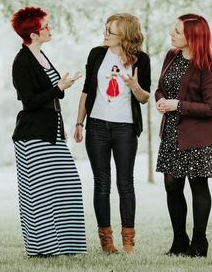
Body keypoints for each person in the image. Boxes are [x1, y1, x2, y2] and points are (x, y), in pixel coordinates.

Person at [10, 6, 86, 257]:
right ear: (33, 34)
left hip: (51, 131)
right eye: (45, 27)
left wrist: (63, 87)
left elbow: (51, 96)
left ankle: (67, 245)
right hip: (32, 135)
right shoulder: (22, 61)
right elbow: (30, 101)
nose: (49, 29)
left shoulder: (41, 55)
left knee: (67, 187)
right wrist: (58, 88)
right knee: (40, 193)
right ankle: (43, 248)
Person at [74, 14, 151, 254]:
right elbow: (87, 90)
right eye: (105, 29)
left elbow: (145, 98)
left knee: (125, 184)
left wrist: (134, 86)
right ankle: (106, 241)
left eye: (111, 31)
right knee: (102, 184)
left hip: (125, 128)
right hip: (96, 126)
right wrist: (79, 123)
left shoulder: (141, 60)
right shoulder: (96, 54)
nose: (105, 34)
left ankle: (128, 240)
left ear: (125, 35)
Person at [155, 14, 212, 258]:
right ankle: (179, 241)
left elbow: (211, 107)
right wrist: (161, 100)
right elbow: (161, 87)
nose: (171, 34)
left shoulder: (209, 66)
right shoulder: (171, 57)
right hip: (171, 133)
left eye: (177, 32)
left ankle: (199, 241)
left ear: (192, 37)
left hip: (197, 137)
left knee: (197, 184)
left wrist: (178, 105)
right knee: (172, 185)